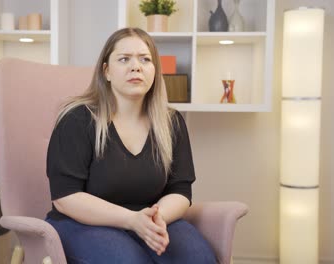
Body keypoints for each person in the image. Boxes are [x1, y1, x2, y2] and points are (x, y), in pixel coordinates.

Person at [45, 27, 216, 264]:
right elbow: (65, 197)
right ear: (106, 71)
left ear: (155, 71)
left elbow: (180, 191)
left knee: (199, 259)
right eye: (124, 59)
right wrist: (131, 220)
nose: (136, 66)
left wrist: (155, 219)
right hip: (81, 223)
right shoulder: (77, 119)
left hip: (148, 218)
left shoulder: (172, 122)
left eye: (145, 59)